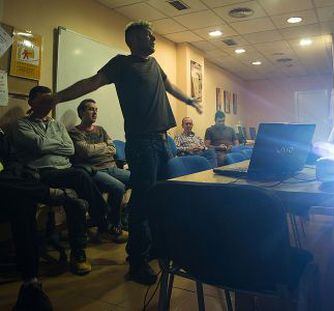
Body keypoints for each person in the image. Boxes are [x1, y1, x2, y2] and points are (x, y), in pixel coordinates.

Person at [35, 21, 202, 285]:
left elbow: (169, 86)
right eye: (149, 36)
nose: (154, 40)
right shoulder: (121, 64)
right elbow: (92, 83)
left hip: (163, 141)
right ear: (134, 39)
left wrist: (189, 100)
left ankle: (153, 249)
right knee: (142, 203)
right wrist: (57, 97)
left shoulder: (155, 65)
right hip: (142, 143)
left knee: (159, 199)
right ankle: (137, 262)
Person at [10, 86, 124, 247]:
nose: (49, 105)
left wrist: (48, 145)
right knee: (82, 176)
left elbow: (69, 148)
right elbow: (40, 146)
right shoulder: (21, 124)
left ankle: (100, 228)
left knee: (81, 186)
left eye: (50, 101)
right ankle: (105, 223)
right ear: (31, 102)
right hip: (42, 172)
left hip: (66, 169)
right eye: (44, 101)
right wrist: (58, 144)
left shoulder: (57, 125)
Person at [1, 125, 90, 310]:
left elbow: (12, 159)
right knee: (27, 194)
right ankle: (51, 193)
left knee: (23, 204)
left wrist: (14, 173)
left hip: (9, 188)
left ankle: (30, 282)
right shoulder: (23, 125)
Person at [69, 98, 129, 241]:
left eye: (96, 110)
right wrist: (103, 147)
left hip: (112, 167)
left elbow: (113, 148)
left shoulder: (100, 129)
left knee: (140, 180)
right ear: (81, 112)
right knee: (119, 188)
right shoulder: (74, 132)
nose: (94, 112)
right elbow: (86, 152)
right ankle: (113, 226)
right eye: (90, 109)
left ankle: (124, 217)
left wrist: (97, 148)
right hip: (94, 171)